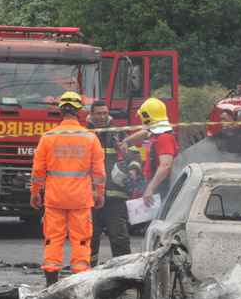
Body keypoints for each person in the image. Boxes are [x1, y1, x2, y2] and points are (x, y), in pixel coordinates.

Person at [30, 92, 105, 287]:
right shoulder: (90, 138)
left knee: (53, 239)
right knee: (80, 240)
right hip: (80, 199)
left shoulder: (48, 138)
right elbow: (98, 171)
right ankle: (78, 284)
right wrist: (99, 192)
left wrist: (35, 192)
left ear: (60, 111)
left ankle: (51, 283)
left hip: (55, 198)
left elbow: (38, 170)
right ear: (80, 111)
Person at [88, 101, 141, 267]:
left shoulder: (119, 134)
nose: (102, 116)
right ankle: (89, 272)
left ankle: (123, 272)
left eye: (105, 113)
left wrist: (132, 168)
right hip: (91, 197)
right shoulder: (86, 134)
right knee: (90, 238)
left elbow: (135, 155)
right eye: (98, 113)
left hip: (115, 197)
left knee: (120, 238)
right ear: (91, 115)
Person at [119, 97, 178, 206]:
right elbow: (146, 132)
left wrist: (150, 188)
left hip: (161, 189)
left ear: (146, 117)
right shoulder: (157, 133)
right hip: (155, 185)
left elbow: (165, 165)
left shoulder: (163, 138)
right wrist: (127, 141)